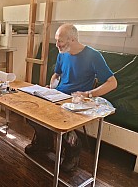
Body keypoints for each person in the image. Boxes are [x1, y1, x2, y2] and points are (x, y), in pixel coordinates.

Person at [25, 23, 117, 172]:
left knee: (57, 117)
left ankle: (73, 147)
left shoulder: (93, 55)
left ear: (72, 39)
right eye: (56, 40)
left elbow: (112, 83)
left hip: (76, 100)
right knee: (30, 112)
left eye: (60, 41)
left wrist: (89, 94)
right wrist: (51, 86)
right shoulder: (62, 53)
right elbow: (57, 74)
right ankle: (44, 143)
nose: (57, 45)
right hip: (59, 95)